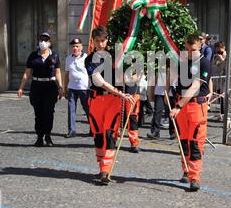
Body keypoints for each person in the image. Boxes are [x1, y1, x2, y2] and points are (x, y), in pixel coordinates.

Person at [85, 26, 135, 185]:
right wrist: (119, 92)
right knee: (98, 135)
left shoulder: (116, 56)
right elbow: (98, 80)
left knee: (109, 133)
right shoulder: (89, 59)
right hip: (95, 100)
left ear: (108, 41)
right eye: (97, 41)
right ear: (93, 41)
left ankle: (106, 170)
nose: (100, 44)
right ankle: (102, 168)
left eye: (103, 41)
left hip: (113, 101)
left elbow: (128, 75)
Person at [170, 33, 211, 192]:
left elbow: (195, 87)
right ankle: (186, 170)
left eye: (192, 49)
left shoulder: (205, 63)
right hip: (181, 104)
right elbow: (174, 79)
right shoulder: (182, 62)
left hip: (196, 106)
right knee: (183, 141)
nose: (189, 53)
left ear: (200, 46)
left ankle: (195, 177)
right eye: (186, 49)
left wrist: (178, 106)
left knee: (195, 142)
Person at [17, 32, 64, 147]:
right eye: (41, 39)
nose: (43, 42)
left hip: (50, 86)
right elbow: (27, 73)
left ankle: (48, 136)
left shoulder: (55, 56)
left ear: (50, 42)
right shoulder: (33, 56)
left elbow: (57, 72)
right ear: (38, 42)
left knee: (49, 112)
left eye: (46, 40)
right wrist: (21, 87)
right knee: (38, 113)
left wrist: (61, 87)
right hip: (37, 86)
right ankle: (39, 137)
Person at [64, 38, 90, 138]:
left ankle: (93, 129)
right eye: (73, 46)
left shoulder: (87, 58)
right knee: (71, 109)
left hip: (84, 88)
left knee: (88, 109)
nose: (75, 48)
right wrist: (65, 87)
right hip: (72, 87)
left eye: (77, 46)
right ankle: (72, 130)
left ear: (81, 47)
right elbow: (66, 74)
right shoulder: (68, 58)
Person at [147, 60, 177, 140]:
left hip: (170, 93)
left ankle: (173, 131)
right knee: (157, 112)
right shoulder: (158, 69)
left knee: (171, 112)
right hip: (159, 93)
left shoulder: (174, 69)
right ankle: (155, 131)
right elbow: (154, 81)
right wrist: (151, 94)